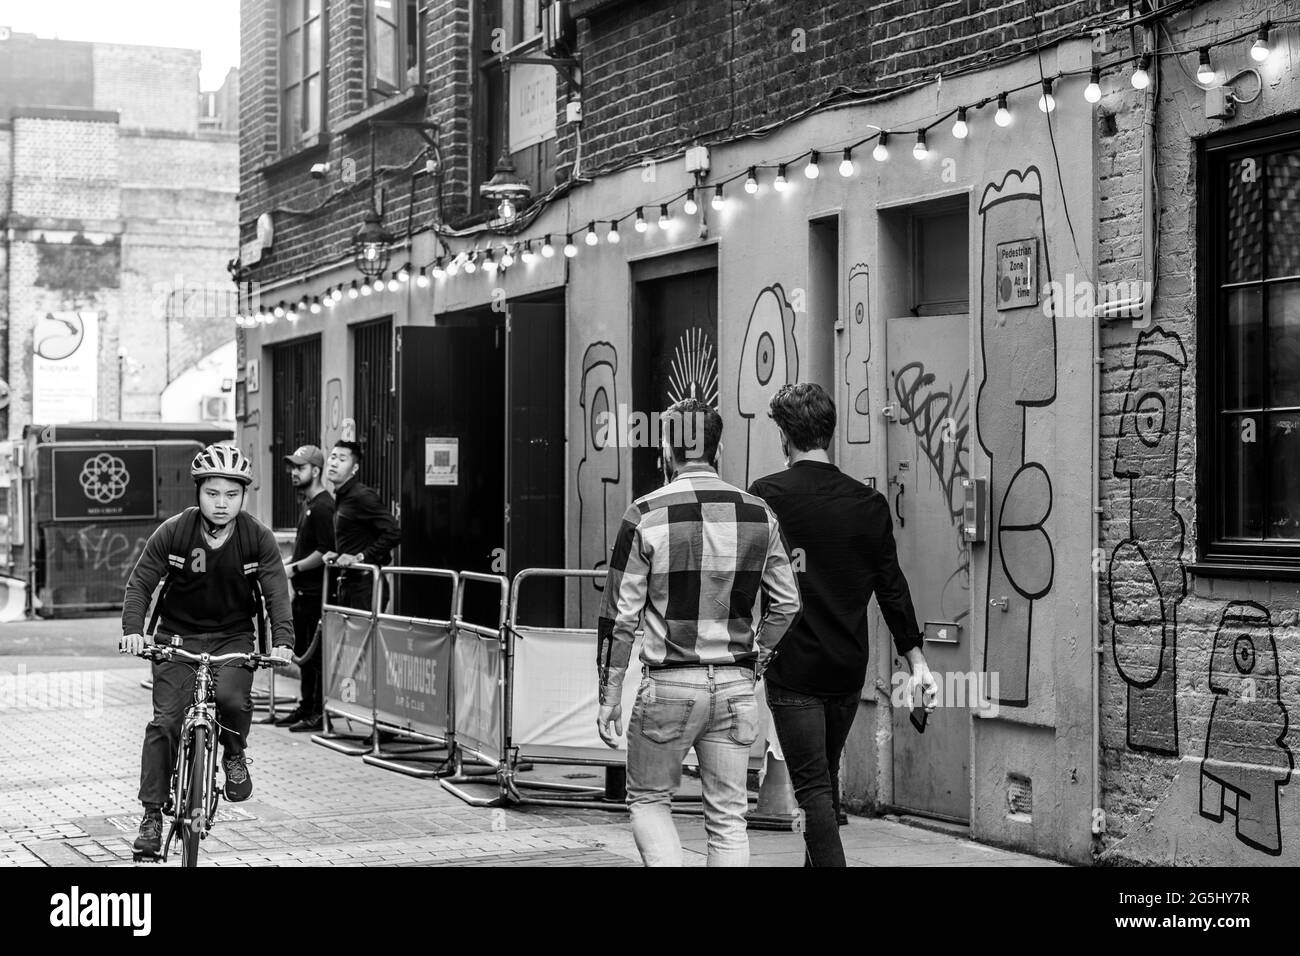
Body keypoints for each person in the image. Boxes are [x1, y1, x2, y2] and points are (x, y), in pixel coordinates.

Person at [597, 398, 801, 867]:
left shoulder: (644, 513)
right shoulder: (758, 512)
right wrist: (758, 657)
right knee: (729, 818)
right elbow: (787, 601)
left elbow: (620, 616)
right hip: (735, 684)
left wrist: (609, 693)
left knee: (649, 800)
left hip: (668, 684)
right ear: (719, 448)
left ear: (667, 449)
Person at [748, 383, 938, 867]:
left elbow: (743, 584)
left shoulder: (767, 497)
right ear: (827, 433)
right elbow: (892, 588)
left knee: (812, 790)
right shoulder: (867, 504)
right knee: (823, 780)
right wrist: (918, 662)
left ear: (785, 437)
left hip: (793, 670)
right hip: (847, 670)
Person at [119, 444, 294, 857]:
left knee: (233, 699)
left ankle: (234, 755)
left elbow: (276, 594)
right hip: (176, 637)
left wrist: (283, 642)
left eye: (231, 495)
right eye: (213, 493)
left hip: (233, 636)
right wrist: (133, 631)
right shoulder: (175, 531)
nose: (221, 503)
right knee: (164, 724)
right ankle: (151, 815)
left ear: (243, 496)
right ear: (198, 493)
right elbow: (141, 583)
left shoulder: (256, 538)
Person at [276, 444, 335, 733]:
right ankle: (306, 705)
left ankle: (317, 712)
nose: (293, 473)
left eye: (299, 468)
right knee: (304, 654)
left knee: (315, 656)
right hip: (302, 594)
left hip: (316, 594)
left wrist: (294, 568)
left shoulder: (324, 506)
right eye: (293, 468)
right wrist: (284, 563)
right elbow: (305, 549)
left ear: (316, 470)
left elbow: (326, 551)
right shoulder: (309, 505)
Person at [323, 440, 401, 611]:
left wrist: (360, 557)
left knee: (363, 638)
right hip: (348, 585)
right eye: (333, 457)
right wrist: (339, 555)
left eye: (342, 459)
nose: (334, 463)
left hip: (366, 586)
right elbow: (359, 535)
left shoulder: (362, 495)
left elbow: (394, 532)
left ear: (355, 468)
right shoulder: (343, 496)